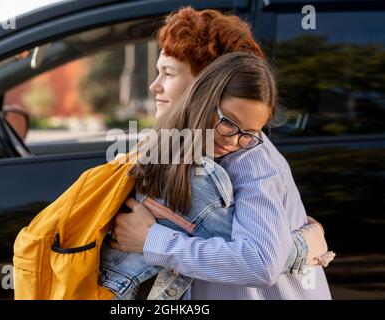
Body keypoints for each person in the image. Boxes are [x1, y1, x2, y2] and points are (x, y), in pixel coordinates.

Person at [109, 7, 334, 299]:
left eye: (168, 73)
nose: (155, 85)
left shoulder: (249, 157)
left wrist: (151, 239)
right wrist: (301, 246)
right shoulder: (177, 147)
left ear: (208, 83)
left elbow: (261, 259)